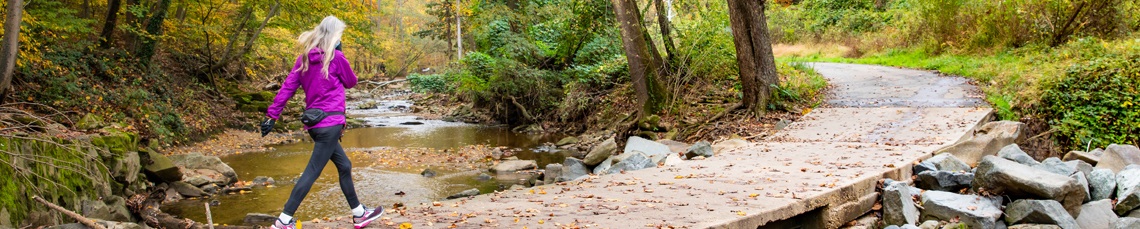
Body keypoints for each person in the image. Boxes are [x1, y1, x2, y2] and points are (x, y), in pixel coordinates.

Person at [259, 16, 382, 229]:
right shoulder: (336, 57)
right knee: (312, 172)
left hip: (315, 124)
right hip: (331, 124)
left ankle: (359, 213)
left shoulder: (304, 59)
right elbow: (352, 82)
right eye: (340, 34)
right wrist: (341, 54)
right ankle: (283, 221)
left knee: (345, 165)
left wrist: (272, 116)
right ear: (335, 35)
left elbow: (287, 88)